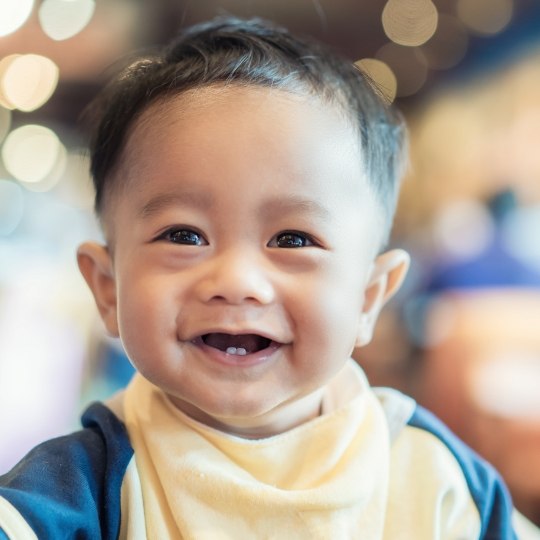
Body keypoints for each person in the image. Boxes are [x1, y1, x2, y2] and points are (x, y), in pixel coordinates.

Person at [0, 16, 526, 539]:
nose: (237, 280)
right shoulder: (83, 489)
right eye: (184, 235)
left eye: (293, 240)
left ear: (369, 298)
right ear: (108, 288)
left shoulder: (438, 482)